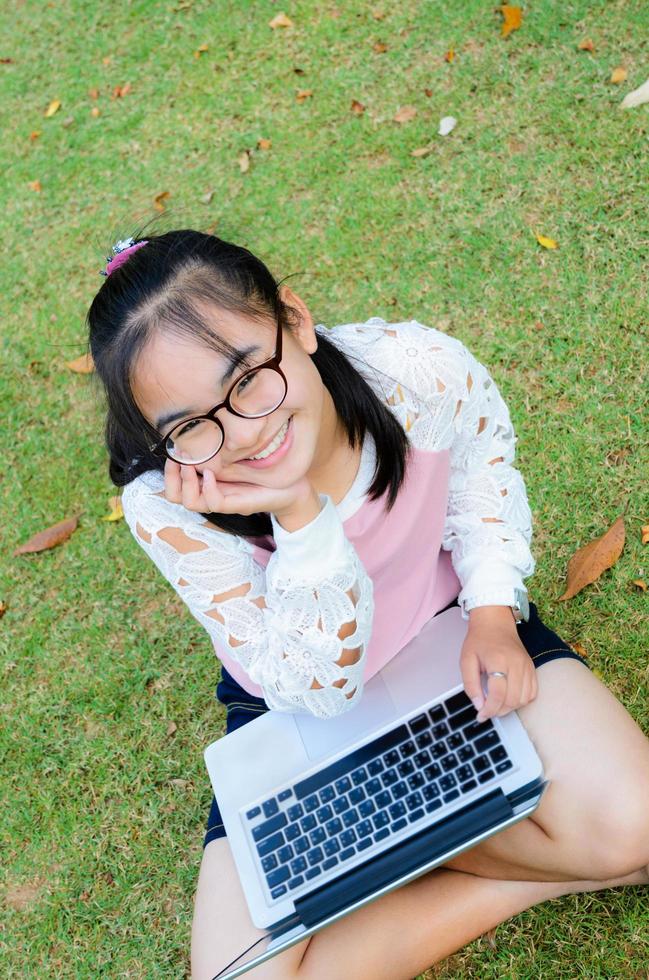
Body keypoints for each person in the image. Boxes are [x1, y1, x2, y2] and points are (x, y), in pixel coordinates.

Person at [87, 229, 649, 980]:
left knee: (636, 821)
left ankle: (419, 856)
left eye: (249, 377)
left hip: (447, 635)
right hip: (295, 705)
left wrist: (489, 611)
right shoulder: (166, 506)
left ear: (294, 320)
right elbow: (316, 688)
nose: (244, 433)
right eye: (190, 426)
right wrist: (300, 523)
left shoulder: (410, 371)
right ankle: (541, 866)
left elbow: (482, 472)